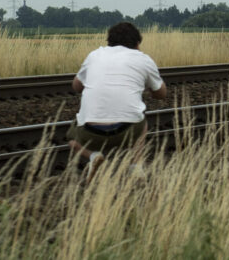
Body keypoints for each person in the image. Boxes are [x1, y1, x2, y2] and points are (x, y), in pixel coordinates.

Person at [67, 22, 167, 183]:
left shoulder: (95, 55)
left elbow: (76, 86)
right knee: (141, 118)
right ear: (137, 43)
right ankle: (135, 167)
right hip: (127, 131)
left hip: (90, 132)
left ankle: (93, 156)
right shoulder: (143, 59)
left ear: (109, 42)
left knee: (71, 138)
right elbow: (161, 94)